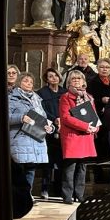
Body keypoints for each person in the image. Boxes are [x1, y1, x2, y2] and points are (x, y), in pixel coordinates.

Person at [59, 70, 99, 204]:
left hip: (86, 136)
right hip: (72, 135)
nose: (76, 80)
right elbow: (66, 118)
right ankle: (67, 195)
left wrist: (96, 127)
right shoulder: (65, 97)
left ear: (83, 81)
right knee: (70, 167)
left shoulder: (89, 97)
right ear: (68, 82)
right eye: (73, 79)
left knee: (82, 167)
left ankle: (79, 194)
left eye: (79, 78)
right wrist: (85, 126)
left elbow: (94, 115)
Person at [9, 72, 54, 188]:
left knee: (31, 170)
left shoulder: (37, 99)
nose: (29, 83)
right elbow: (5, 117)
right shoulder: (11, 98)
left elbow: (44, 118)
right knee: (19, 172)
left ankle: (27, 195)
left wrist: (50, 128)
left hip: (36, 139)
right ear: (19, 82)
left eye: (31, 82)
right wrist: (21, 118)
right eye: (25, 81)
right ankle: (18, 195)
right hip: (20, 139)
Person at [36, 67, 67, 198]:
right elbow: (41, 110)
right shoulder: (41, 93)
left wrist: (62, 120)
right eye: (50, 76)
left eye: (55, 75)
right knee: (48, 160)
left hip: (63, 127)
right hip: (48, 127)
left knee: (61, 160)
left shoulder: (64, 92)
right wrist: (54, 119)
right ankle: (44, 188)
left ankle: (59, 189)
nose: (54, 78)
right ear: (46, 79)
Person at [87, 57, 110, 162]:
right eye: (102, 67)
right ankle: (99, 164)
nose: (104, 69)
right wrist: (101, 100)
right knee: (100, 140)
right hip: (98, 114)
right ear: (97, 68)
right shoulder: (92, 82)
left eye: (107, 67)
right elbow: (88, 99)